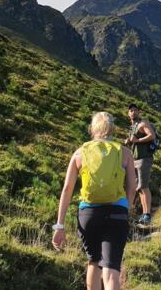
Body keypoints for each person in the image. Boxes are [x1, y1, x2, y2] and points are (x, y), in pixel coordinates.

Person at [52, 111, 136, 290]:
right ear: (112, 128)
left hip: (88, 214)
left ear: (92, 129)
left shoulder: (80, 153)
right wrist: (126, 208)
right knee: (111, 267)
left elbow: (67, 189)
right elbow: (132, 186)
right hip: (117, 212)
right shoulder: (125, 153)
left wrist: (59, 226)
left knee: (94, 262)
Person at [124, 103, 156, 225]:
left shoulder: (143, 123)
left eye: (135, 110)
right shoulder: (133, 127)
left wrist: (137, 140)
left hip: (144, 159)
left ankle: (147, 214)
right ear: (128, 113)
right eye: (131, 110)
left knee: (144, 186)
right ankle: (144, 214)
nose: (133, 112)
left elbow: (151, 136)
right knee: (139, 188)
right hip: (135, 159)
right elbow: (133, 142)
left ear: (139, 112)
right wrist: (129, 141)